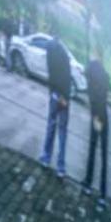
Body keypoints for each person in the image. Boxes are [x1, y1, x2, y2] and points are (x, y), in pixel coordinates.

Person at [38, 35, 74, 177]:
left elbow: (52, 76)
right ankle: (61, 167)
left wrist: (55, 94)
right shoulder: (64, 54)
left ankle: (46, 158)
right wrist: (65, 98)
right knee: (62, 132)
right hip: (64, 98)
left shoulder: (50, 52)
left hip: (56, 95)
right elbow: (67, 77)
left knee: (51, 126)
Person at [82, 49, 110, 197]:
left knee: (93, 149)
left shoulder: (92, 67)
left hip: (98, 116)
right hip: (103, 115)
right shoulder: (105, 75)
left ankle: (88, 183)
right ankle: (102, 193)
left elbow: (86, 72)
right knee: (102, 153)